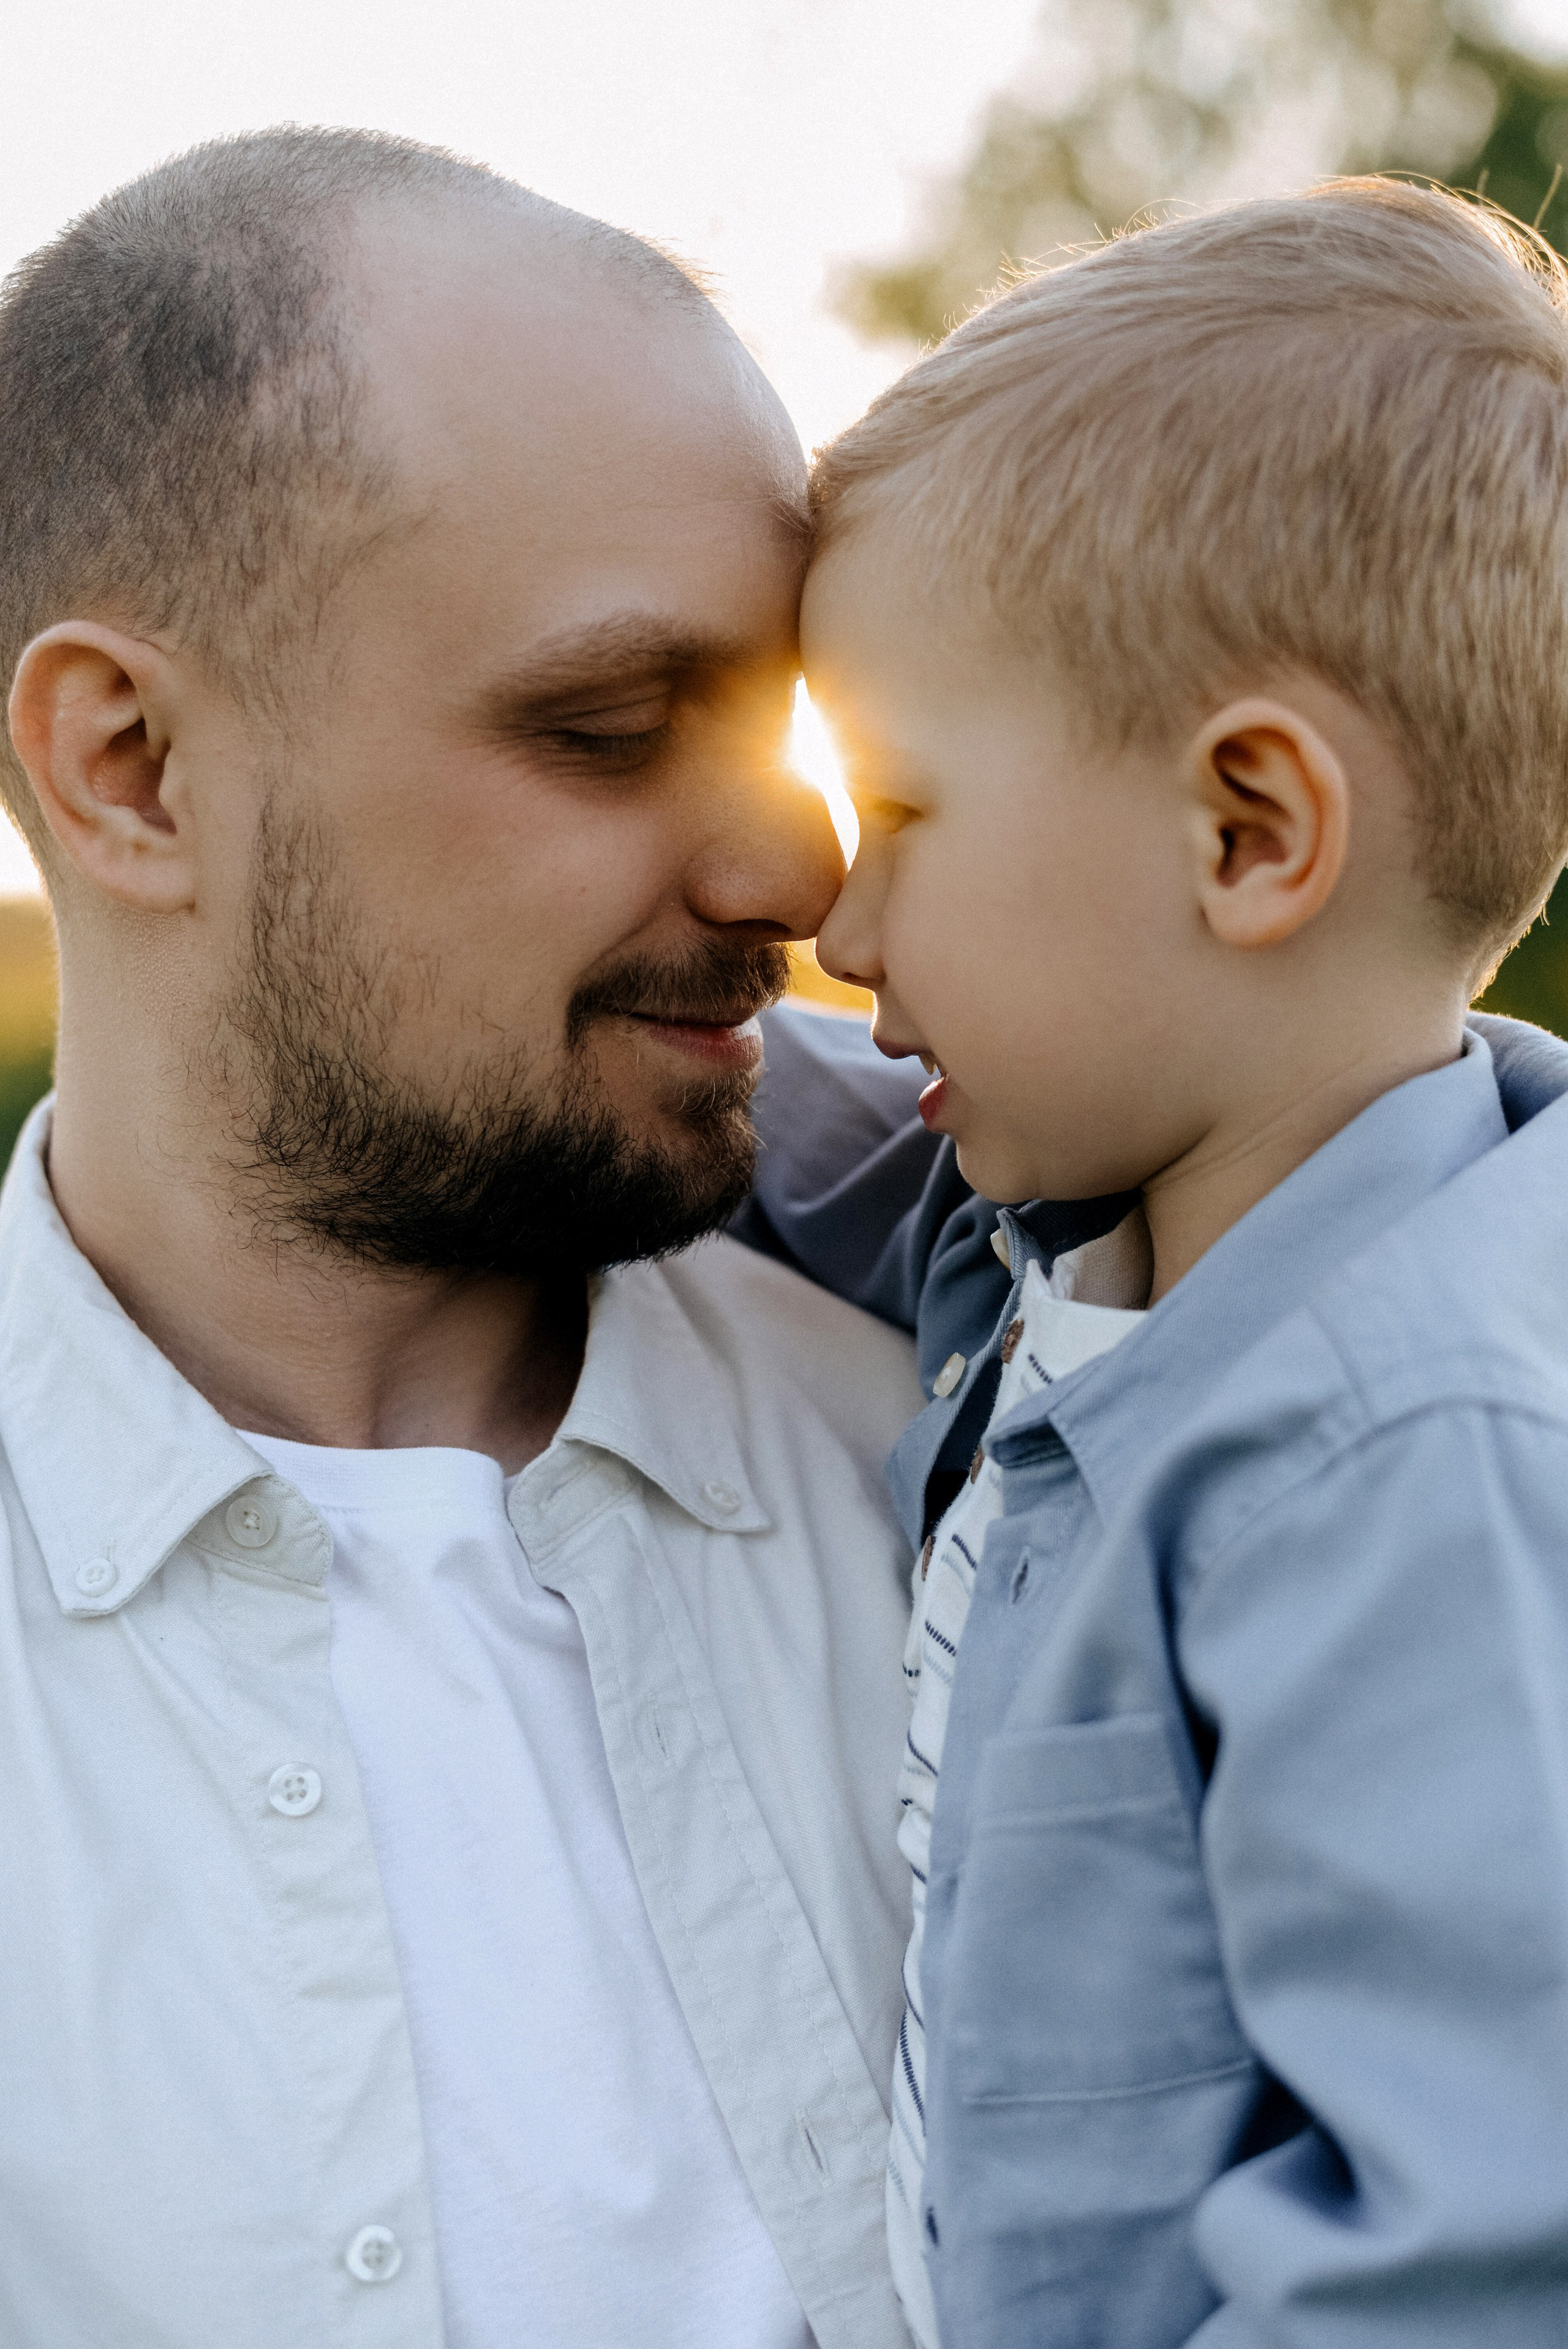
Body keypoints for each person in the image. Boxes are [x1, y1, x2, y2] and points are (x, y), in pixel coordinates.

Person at [0, 127, 925, 2349]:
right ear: (126, 767)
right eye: (608, 729)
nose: (796, 860)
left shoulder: (1004, 1500)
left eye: (790, 716)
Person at [739, 181, 1568, 2345]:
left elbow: (1479, 2225)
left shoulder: (1403, 1458)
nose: (837, 923)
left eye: (902, 808)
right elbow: (726, 1126)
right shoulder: (1058, 1222)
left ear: (1249, 834)